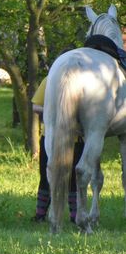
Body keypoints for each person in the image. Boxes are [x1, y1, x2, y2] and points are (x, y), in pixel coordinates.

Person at [31, 77, 81, 223]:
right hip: (51, 137)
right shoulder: (49, 79)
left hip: (75, 138)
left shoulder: (82, 80)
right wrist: (56, 111)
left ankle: (74, 214)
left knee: (74, 178)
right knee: (46, 175)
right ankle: (40, 213)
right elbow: (35, 106)